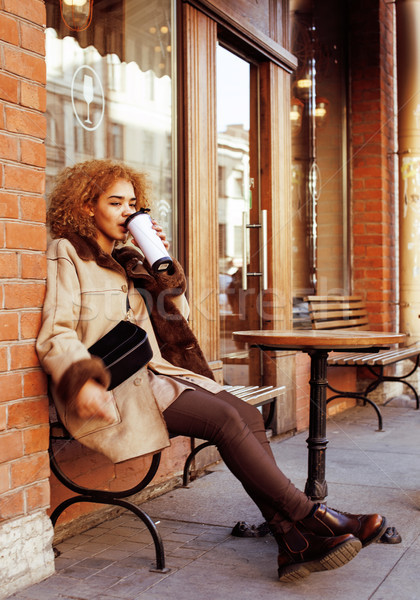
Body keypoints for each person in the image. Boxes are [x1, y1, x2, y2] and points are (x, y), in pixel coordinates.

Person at [37, 159, 387, 583]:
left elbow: (175, 316)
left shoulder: (129, 259)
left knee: (249, 415)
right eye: (115, 202)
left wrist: (160, 267)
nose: (127, 211)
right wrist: (84, 382)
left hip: (156, 376)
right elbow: (56, 332)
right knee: (225, 419)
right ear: (86, 207)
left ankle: (292, 541)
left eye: (132, 203)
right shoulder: (69, 252)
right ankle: (313, 519)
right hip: (111, 388)